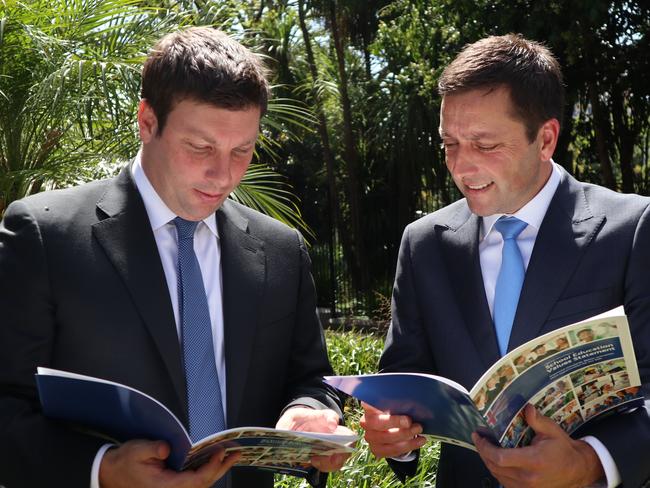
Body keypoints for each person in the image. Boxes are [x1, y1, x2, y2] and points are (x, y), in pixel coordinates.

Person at [0, 27, 350, 488]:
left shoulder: (281, 250)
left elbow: (312, 377)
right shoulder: (45, 235)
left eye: (242, 150)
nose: (223, 174)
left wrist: (309, 412)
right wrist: (102, 468)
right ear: (147, 121)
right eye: (200, 147)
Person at [360, 34, 650, 487]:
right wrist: (391, 435)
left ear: (546, 138)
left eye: (485, 144)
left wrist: (590, 462)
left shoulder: (632, 228)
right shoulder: (423, 245)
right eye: (449, 143)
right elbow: (401, 390)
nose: (461, 166)